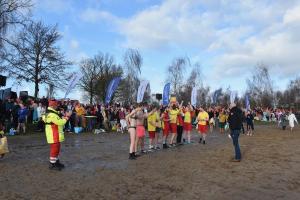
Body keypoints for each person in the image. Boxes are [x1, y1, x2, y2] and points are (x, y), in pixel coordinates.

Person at [42, 99, 71, 171]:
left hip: (53, 133)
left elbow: (56, 115)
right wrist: (67, 116)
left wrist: (60, 113)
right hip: (54, 134)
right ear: (52, 106)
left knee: (56, 149)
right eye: (56, 105)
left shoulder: (48, 113)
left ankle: (56, 162)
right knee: (54, 149)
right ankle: (52, 164)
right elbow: (61, 122)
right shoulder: (52, 115)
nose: (57, 106)